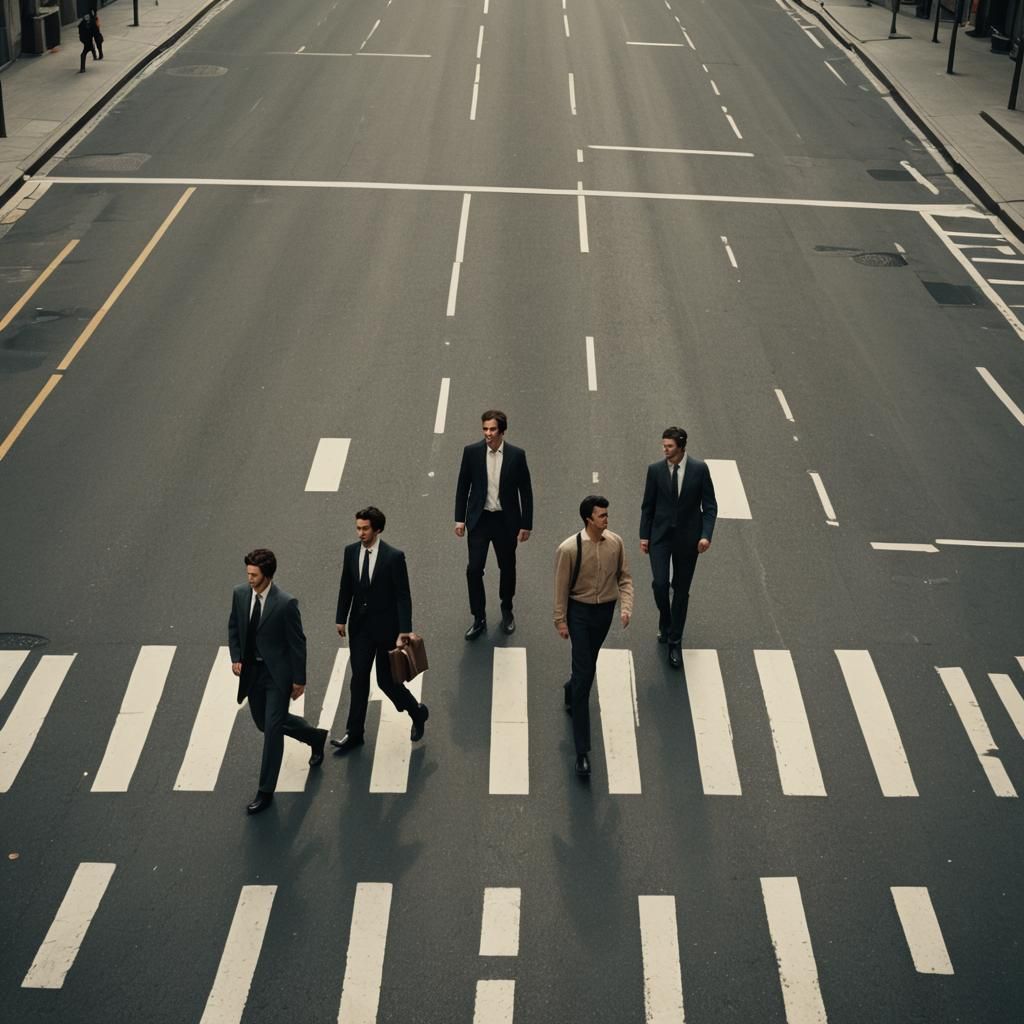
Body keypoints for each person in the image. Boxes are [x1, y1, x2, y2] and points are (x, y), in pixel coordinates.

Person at [227, 549, 327, 815]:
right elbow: (234, 628)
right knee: (264, 723)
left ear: (267, 575)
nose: (249, 578)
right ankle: (315, 737)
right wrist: (236, 657)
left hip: (276, 677)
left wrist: (299, 679)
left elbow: (297, 643)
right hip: (252, 674)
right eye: (247, 573)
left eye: (254, 574)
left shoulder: (285, 603)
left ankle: (265, 790)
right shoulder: (239, 594)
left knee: (272, 731)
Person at [331, 506, 429, 755]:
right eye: (358, 528)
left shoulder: (393, 557)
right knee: (359, 679)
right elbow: (346, 586)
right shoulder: (351, 552)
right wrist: (341, 618)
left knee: (387, 682)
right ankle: (354, 734)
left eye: (365, 528)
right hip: (361, 629)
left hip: (387, 630)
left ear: (378, 529)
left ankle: (417, 712)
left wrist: (404, 630)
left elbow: (403, 596)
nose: (360, 533)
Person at [554, 495, 633, 777]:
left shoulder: (616, 543)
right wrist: (560, 621)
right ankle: (582, 752)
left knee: (586, 668)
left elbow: (624, 578)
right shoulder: (569, 549)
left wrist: (625, 608)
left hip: (604, 613)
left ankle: (570, 688)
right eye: (601, 515)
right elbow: (561, 588)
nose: (606, 519)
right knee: (585, 677)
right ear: (589, 519)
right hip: (579, 613)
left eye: (606, 515)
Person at [639, 427, 717, 668]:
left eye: (670, 446)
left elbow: (710, 506)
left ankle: (675, 641)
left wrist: (705, 536)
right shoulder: (655, 470)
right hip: (660, 537)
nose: (665, 449)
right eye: (664, 445)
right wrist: (644, 536)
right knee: (660, 584)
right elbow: (647, 506)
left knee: (681, 591)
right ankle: (665, 617)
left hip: (688, 539)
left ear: (682, 447)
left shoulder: (699, 469)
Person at [454, 409, 534, 639]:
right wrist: (460, 519)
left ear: (502, 431)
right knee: (474, 570)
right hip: (479, 521)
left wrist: (526, 524)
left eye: (492, 429)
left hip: (505, 521)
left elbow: (525, 491)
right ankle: (478, 617)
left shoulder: (517, 455)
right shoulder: (471, 452)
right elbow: (463, 487)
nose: (488, 433)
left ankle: (506, 609)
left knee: (507, 567)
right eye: (485, 429)